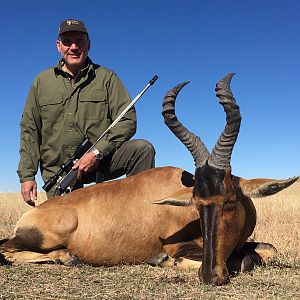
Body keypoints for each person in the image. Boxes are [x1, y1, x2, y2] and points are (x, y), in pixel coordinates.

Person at [17, 19, 155, 205]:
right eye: (67, 41)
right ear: (58, 45)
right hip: (60, 173)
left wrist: (96, 152)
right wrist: (27, 176)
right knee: (66, 228)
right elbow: (29, 130)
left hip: (99, 161)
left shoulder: (107, 78)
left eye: (79, 41)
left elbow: (127, 121)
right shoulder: (42, 81)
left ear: (88, 44)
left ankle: (140, 213)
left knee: (142, 150)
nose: (74, 47)